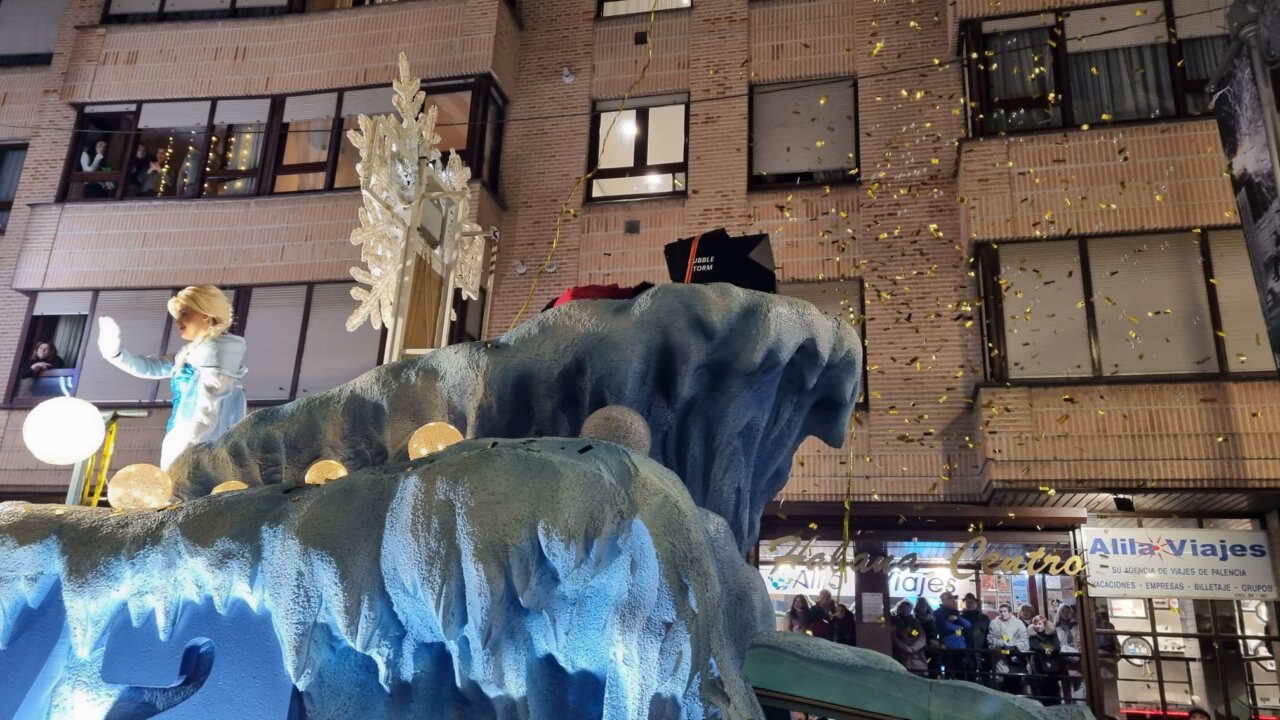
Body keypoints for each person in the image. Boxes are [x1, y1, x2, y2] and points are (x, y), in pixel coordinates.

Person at [97, 285, 247, 470]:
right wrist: (114, 352)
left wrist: (190, 449)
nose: (178, 321)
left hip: (197, 443)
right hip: (183, 435)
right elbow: (152, 367)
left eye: (184, 313)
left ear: (206, 315)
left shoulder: (217, 351)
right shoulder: (193, 351)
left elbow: (209, 406)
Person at [988, 603, 1029, 694]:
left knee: (1016, 685)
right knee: (1002, 686)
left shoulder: (1019, 623)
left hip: (1015, 658)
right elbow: (991, 640)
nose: (1003, 614)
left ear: (1010, 612)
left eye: (1005, 611)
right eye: (1001, 611)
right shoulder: (994, 624)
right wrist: (1001, 645)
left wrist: (1016, 647)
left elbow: (1024, 639)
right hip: (1001, 659)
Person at [933, 591, 973, 680]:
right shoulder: (938, 613)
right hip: (947, 647)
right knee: (949, 672)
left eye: (953, 598)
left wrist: (958, 618)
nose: (954, 601)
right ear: (944, 600)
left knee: (960, 672)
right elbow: (947, 626)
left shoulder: (955, 612)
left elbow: (968, 625)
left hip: (960, 647)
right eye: (951, 598)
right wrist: (960, 627)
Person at [1028, 615, 1063, 705]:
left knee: (1053, 689)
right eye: (1035, 624)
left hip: (1051, 666)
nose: (1037, 626)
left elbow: (1057, 647)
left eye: (1039, 624)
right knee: (1039, 689)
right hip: (1038, 666)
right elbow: (1034, 646)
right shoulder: (1033, 635)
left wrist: (1046, 649)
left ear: (1045, 625)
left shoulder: (1052, 633)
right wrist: (1047, 648)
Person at [891, 600, 928, 676]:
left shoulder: (914, 621)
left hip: (916, 652)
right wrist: (905, 648)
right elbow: (894, 637)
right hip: (902, 652)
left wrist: (914, 647)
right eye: (903, 609)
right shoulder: (895, 621)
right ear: (900, 609)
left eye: (907, 609)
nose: (906, 611)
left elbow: (919, 635)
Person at [1055, 604, 1083, 702]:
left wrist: (1078, 653)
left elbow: (1081, 642)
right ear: (1059, 613)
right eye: (1063, 612)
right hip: (1062, 662)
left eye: (1068, 612)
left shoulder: (1078, 626)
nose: (1066, 614)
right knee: (1065, 688)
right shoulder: (1056, 628)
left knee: (1078, 688)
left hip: (1076, 660)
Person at [961, 592, 991, 684]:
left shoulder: (984, 618)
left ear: (976, 603)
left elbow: (989, 633)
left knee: (986, 679)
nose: (969, 604)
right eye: (967, 602)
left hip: (982, 652)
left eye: (971, 602)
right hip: (967, 653)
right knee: (970, 679)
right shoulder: (961, 618)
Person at [914, 597, 941, 678]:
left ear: (927, 607)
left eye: (923, 607)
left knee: (935, 660)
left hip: (932, 642)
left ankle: (934, 676)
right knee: (922, 660)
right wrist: (917, 636)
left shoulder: (933, 618)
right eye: (920, 607)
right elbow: (913, 632)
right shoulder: (914, 620)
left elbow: (936, 630)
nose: (922, 609)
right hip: (920, 642)